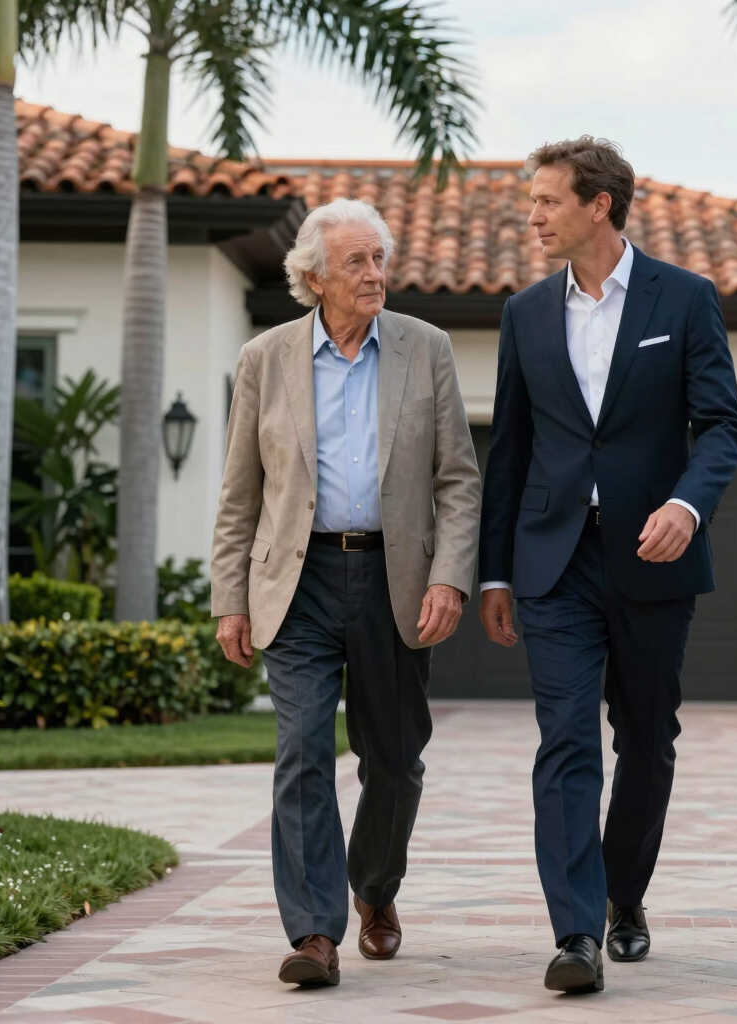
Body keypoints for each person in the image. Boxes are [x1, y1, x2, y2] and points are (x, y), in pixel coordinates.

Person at [479, 137, 737, 994]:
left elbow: (722, 427)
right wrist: (493, 573)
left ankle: (624, 895)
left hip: (653, 556)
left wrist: (686, 503)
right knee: (564, 741)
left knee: (647, 741)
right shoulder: (524, 313)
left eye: (548, 200)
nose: (533, 215)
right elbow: (509, 453)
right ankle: (575, 934)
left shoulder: (686, 298)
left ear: (598, 205)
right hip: (555, 562)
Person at [211, 197, 481, 988]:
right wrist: (231, 594)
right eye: (359, 262)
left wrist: (449, 577)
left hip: (395, 578)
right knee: (300, 753)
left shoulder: (425, 350)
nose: (376, 274)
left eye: (380, 259)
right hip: (297, 581)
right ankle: (313, 932)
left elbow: (459, 478)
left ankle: (376, 888)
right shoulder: (264, 358)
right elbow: (239, 493)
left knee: (394, 761)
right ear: (314, 276)